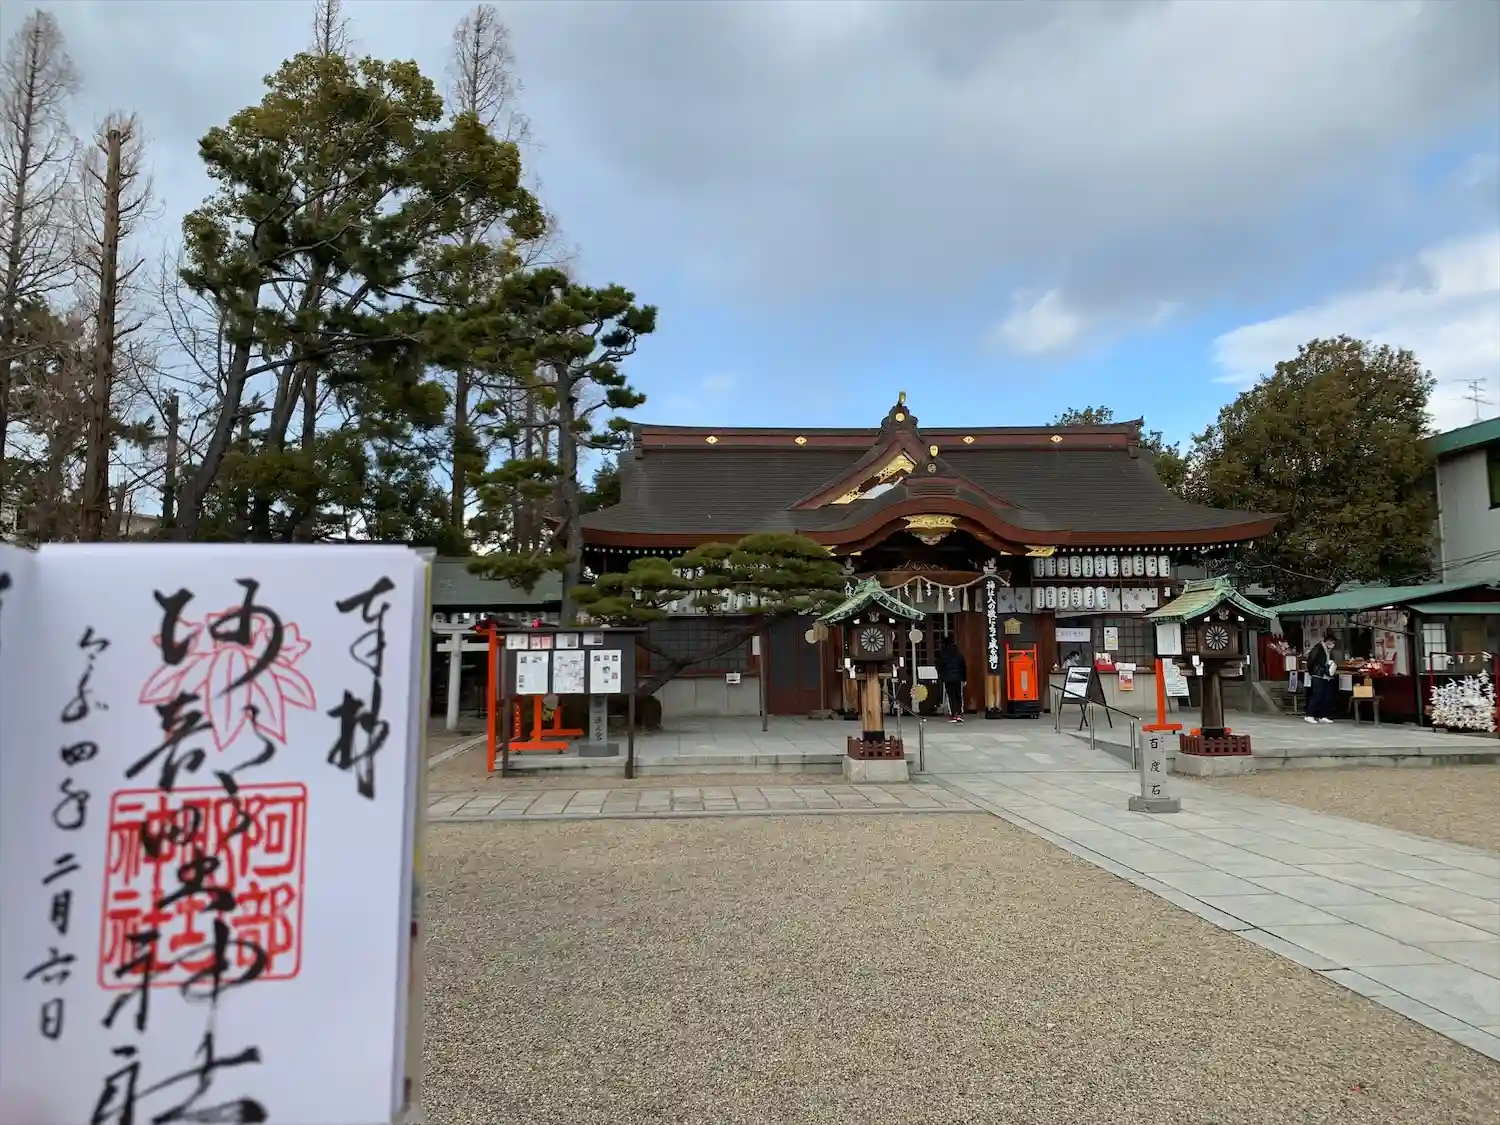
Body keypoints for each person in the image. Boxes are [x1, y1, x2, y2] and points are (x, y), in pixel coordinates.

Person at [1304, 631, 1337, 725]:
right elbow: (1311, 661)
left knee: (1326, 697)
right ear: (1328, 641)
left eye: (1334, 643)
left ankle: (1323, 716)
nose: (1333, 645)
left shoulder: (1328, 651)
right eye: (1332, 643)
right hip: (1318, 675)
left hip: (1327, 677)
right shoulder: (1318, 648)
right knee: (1316, 696)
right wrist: (1312, 672)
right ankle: (1309, 715)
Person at [937, 635, 967, 723]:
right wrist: (964, 679)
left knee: (951, 697)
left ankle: (954, 714)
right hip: (958, 678)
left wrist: (942, 677)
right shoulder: (959, 655)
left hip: (948, 678)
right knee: (958, 696)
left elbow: (939, 667)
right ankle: (959, 714)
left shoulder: (943, 655)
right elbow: (963, 667)